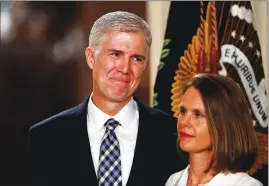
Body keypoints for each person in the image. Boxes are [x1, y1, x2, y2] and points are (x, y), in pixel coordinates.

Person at [28, 11, 186, 186]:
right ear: (90, 58)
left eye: (136, 58)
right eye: (116, 54)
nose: (125, 68)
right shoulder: (47, 136)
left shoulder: (175, 135)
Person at [165, 73, 263, 186]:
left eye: (198, 114)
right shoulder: (173, 181)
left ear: (224, 124)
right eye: (183, 111)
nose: (183, 122)